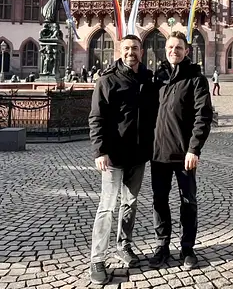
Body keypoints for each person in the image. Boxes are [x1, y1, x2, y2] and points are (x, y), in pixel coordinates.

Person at [88, 35, 158, 285]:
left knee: (130, 203)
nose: (131, 52)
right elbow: (96, 119)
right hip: (114, 156)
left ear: (142, 51)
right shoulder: (107, 80)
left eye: (135, 48)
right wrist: (100, 151)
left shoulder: (149, 79)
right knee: (106, 207)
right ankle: (97, 258)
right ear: (120, 51)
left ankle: (124, 245)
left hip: (138, 155)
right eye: (127, 48)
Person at [149, 31, 213, 271]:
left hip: (185, 154)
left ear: (186, 51)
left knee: (188, 202)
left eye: (178, 47)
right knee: (159, 201)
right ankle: (162, 245)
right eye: (170, 47)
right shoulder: (159, 77)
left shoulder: (196, 79)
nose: (173, 51)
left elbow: (202, 116)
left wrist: (194, 149)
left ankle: (187, 248)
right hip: (159, 153)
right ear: (165, 50)